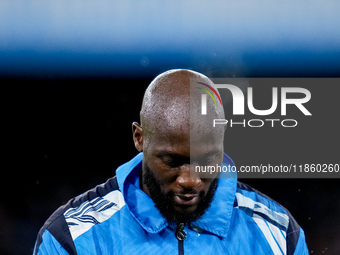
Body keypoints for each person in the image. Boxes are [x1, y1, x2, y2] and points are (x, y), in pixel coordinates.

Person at [33, 69, 308, 255]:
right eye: (172, 161)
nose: (190, 180)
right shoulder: (71, 238)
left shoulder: (281, 235)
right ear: (139, 138)